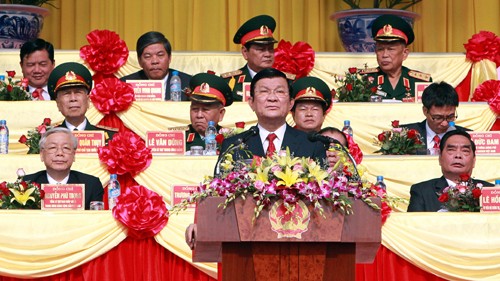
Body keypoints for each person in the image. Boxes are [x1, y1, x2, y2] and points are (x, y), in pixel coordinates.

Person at [185, 68, 326, 249]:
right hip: (245, 243)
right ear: (251, 102)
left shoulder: (312, 144)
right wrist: (202, 225)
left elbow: (324, 200)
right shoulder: (234, 144)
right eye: (264, 91)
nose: (272, 97)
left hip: (301, 242)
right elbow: (218, 195)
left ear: (291, 103)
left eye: (280, 91)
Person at [407, 130, 493, 212]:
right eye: (451, 150)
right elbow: (414, 225)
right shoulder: (422, 191)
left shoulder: (490, 191)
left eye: (465, 151)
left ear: (474, 161)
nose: (458, 155)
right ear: (440, 158)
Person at [23, 127, 104, 210]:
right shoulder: (27, 184)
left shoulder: (91, 185)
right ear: (41, 155)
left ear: (74, 155)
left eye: (66, 148)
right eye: (53, 148)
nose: (59, 153)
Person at [362, 14, 432, 100]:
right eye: (380, 49)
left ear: (405, 53)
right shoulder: (363, 80)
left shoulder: (420, 82)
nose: (385, 55)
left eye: (391, 49)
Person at [47, 62, 115, 142]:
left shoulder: (108, 138)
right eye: (66, 93)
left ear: (88, 100)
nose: (73, 98)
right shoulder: (48, 138)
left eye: (78, 92)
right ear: (58, 103)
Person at [120, 31, 192, 101]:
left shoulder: (189, 84)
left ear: (169, 58)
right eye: (147, 56)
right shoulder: (125, 85)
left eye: (160, 55)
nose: (155, 61)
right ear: (140, 61)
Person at [401, 81, 469, 155]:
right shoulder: (404, 135)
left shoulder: (467, 137)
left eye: (450, 117)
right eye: (438, 117)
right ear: (425, 111)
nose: (445, 123)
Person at [221, 15, 278, 102]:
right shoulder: (229, 83)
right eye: (261, 49)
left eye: (270, 48)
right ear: (245, 52)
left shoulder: (286, 81)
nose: (267, 54)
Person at [183, 73, 233, 151]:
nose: (199, 115)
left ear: (221, 114)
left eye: (205, 110)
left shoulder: (231, 140)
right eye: (195, 109)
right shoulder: (179, 138)